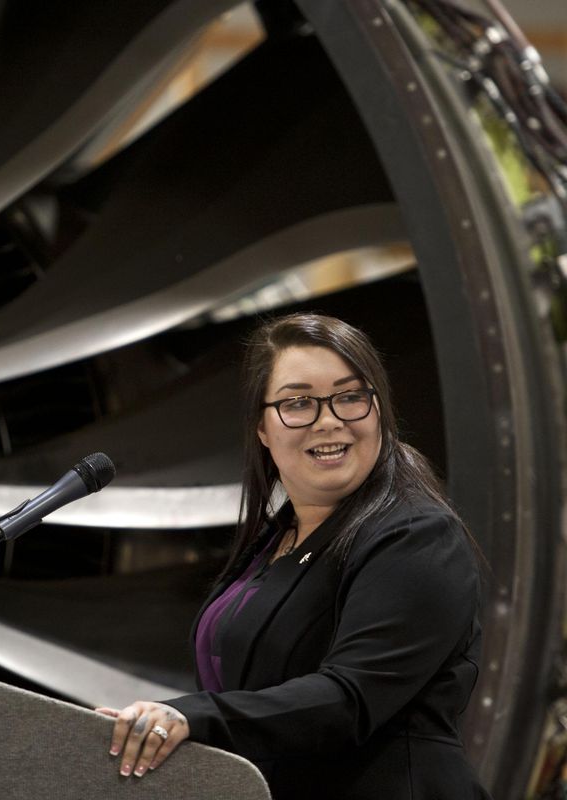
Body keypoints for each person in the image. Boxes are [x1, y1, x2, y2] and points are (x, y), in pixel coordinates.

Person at [98, 313, 491, 799]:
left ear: (379, 411)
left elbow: (351, 698)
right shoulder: (273, 540)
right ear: (262, 429)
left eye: (350, 397)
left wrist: (192, 716)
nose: (329, 420)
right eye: (298, 403)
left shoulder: (416, 535)